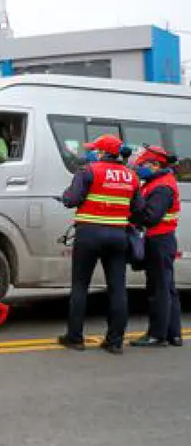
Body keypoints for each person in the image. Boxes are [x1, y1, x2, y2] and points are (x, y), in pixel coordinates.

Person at [58, 134, 143, 355]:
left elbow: (72, 199)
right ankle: (115, 341)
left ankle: (75, 338)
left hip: (89, 234)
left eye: (95, 149)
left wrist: (65, 196)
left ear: (103, 152)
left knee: (80, 286)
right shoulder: (131, 176)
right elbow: (138, 209)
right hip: (117, 235)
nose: (92, 152)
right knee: (117, 288)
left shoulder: (88, 171)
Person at [129, 145, 182, 347]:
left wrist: (133, 211)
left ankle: (157, 335)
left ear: (155, 165)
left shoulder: (161, 186)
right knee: (168, 288)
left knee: (158, 289)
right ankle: (173, 334)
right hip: (164, 240)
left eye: (142, 165)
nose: (139, 168)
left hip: (159, 240)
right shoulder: (159, 182)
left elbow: (151, 216)